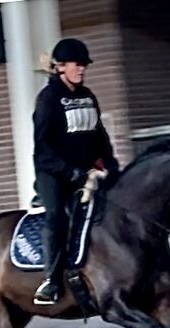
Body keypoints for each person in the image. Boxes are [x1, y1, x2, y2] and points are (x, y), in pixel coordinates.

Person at [32, 37, 119, 306]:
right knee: (57, 216)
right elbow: (43, 147)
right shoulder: (48, 99)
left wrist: (110, 163)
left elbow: (99, 135)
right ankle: (52, 280)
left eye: (84, 65)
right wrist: (70, 172)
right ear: (61, 67)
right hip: (54, 174)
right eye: (76, 65)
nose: (81, 70)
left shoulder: (87, 96)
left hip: (85, 172)